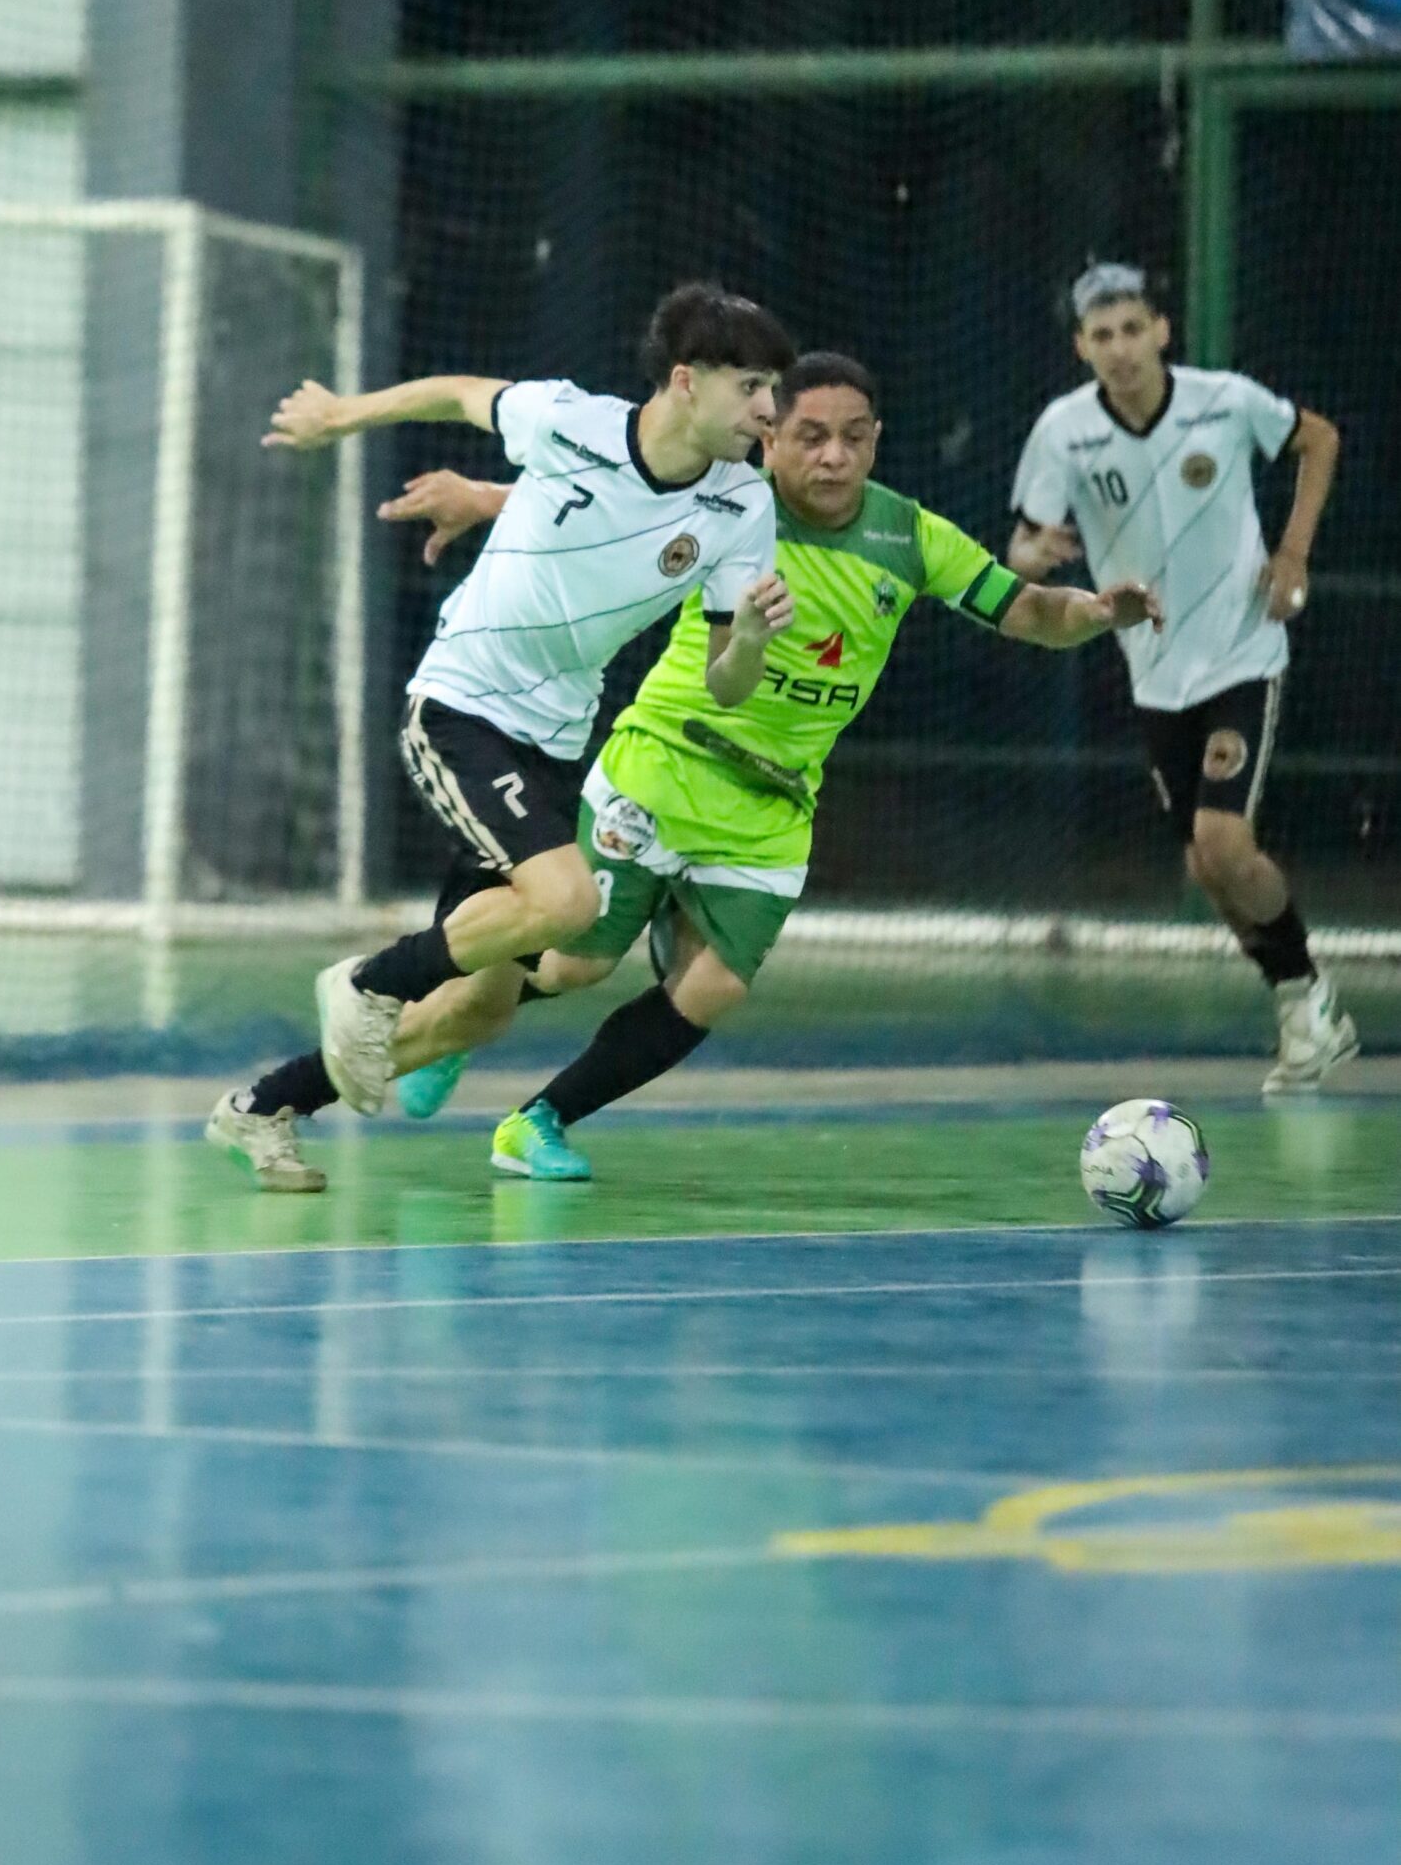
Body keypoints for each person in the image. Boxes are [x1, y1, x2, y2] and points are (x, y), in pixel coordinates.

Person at [373, 351, 1162, 1181]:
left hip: (775, 807)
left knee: (714, 988)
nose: (834, 456)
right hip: (666, 766)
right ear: (771, 438)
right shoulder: (729, 504)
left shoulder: (910, 536)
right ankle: (450, 1014)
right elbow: (606, 515)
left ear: (877, 441)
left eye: (855, 438)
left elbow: (1031, 608)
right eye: (812, 437)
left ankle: (538, 1122)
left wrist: (1098, 614)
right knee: (577, 962)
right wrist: (483, 497)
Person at [206, 281, 794, 1191]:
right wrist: (338, 416)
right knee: (568, 906)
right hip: (465, 704)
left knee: (476, 1011)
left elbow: (728, 682)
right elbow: (451, 392)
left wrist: (751, 637)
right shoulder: (569, 422)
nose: (769, 410)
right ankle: (366, 983)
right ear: (687, 381)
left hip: (556, 741)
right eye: (752, 386)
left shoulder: (741, 509)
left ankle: (262, 1108)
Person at [1007, 260, 1355, 1096]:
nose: (1120, 348)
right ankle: (1305, 1006)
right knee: (1207, 867)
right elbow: (1023, 542)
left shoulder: (1224, 400)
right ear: (1081, 347)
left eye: (1133, 329)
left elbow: (1319, 438)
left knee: (1223, 842)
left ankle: (1307, 998)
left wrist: (1293, 552)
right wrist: (1034, 555)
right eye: (1102, 335)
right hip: (1154, 672)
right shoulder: (1063, 431)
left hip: (1243, 651)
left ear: (1161, 331)